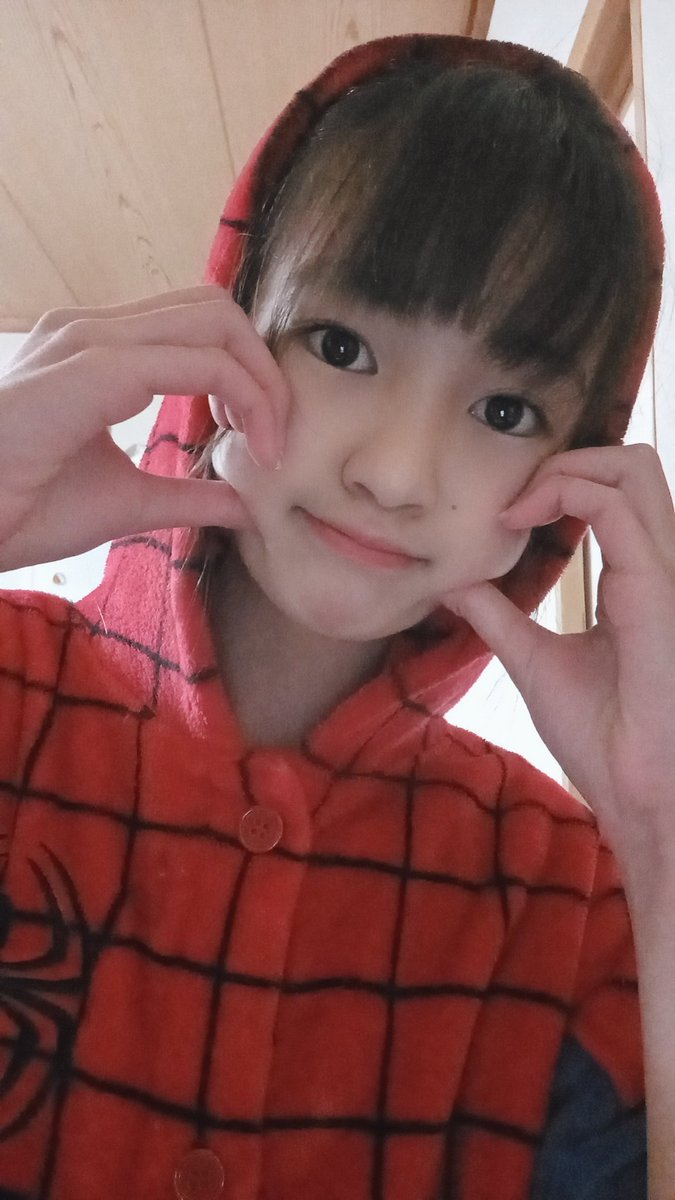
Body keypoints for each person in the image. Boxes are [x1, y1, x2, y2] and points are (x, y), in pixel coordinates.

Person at [0, 30, 672, 1200]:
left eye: (506, 411)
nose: (398, 473)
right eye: (343, 345)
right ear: (231, 325)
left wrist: (663, 840)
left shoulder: (571, 895)